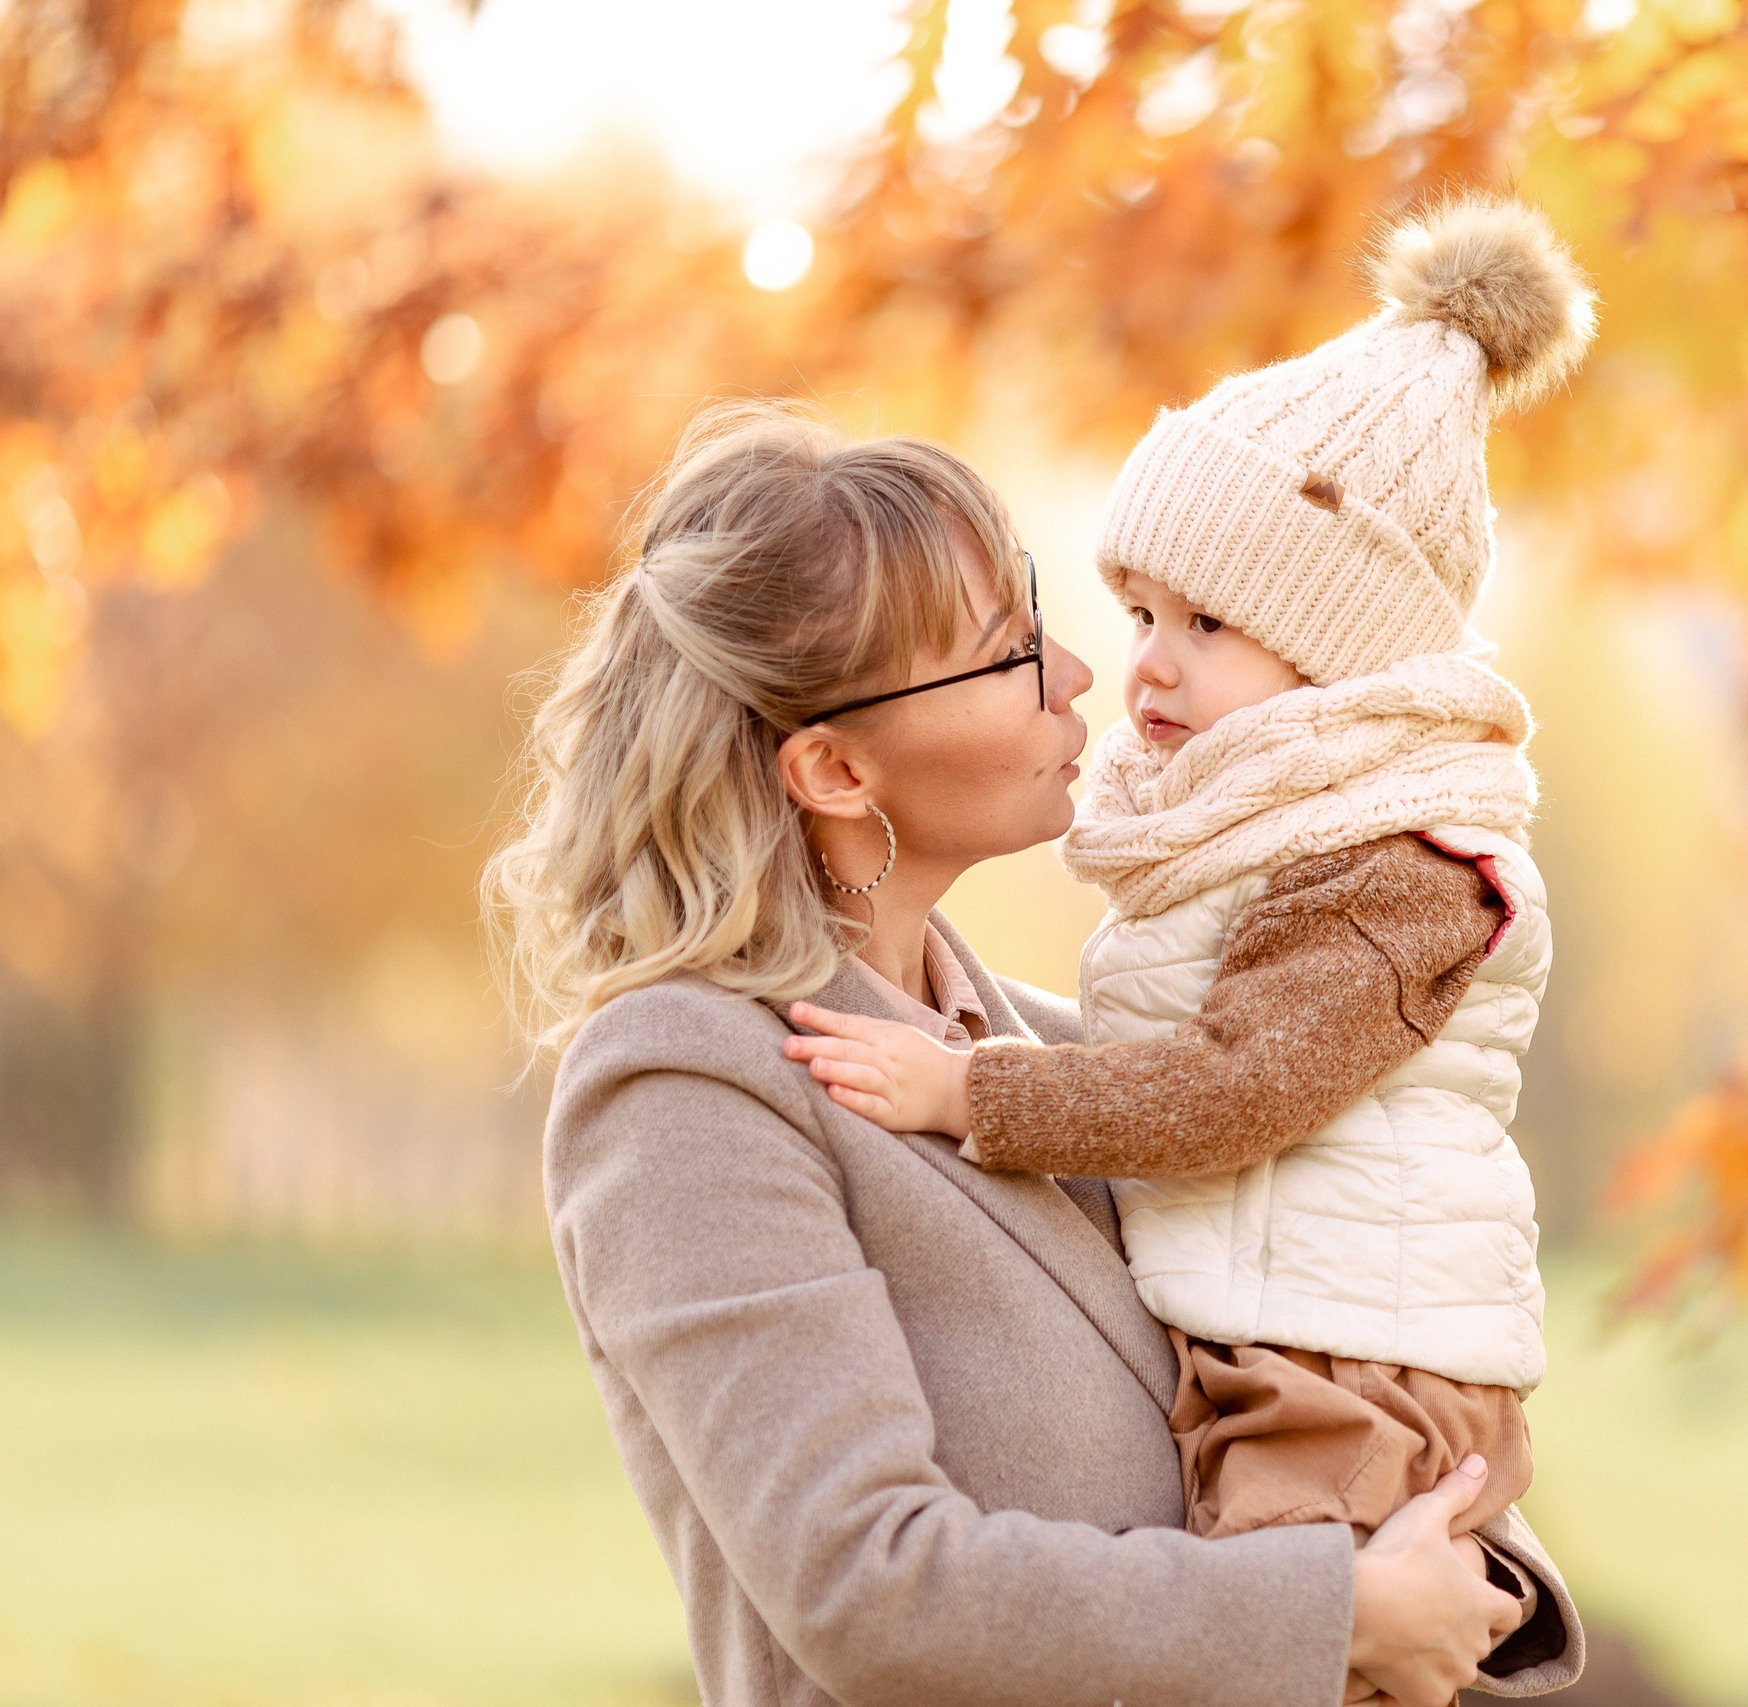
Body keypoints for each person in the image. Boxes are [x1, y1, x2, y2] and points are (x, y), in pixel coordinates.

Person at [482, 398, 1583, 1707]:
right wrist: (1336, 1610)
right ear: (835, 771)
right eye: (1005, 653)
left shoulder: (1080, 1067)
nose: (1079, 676)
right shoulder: (686, 1084)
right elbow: (873, 1592)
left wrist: (1462, 1565)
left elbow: (1338, 1347)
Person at [780, 197, 1587, 1602]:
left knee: (1285, 1639)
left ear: (1339, 655)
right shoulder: (1273, 833)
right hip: (1289, 1339)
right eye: (1143, 612)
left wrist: (971, 1091)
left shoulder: (1394, 871)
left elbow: (1236, 1086)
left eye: (1206, 625)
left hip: (1355, 1370)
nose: (1144, 665)